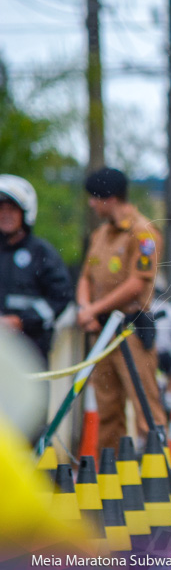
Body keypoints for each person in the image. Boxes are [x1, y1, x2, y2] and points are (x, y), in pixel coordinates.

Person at [76, 167, 167, 452]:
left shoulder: (143, 233)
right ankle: (112, 484)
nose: (92, 204)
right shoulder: (100, 235)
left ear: (110, 198)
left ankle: (158, 479)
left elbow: (136, 284)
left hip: (130, 330)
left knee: (146, 410)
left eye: (94, 197)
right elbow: (85, 277)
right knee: (107, 412)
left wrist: (93, 309)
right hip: (101, 333)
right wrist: (86, 309)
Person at [0, 175, 74, 442]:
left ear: (25, 213)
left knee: (28, 423)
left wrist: (22, 321)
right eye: (1, 209)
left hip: (31, 351)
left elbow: (61, 296)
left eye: (12, 209)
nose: (5, 215)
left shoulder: (41, 252)